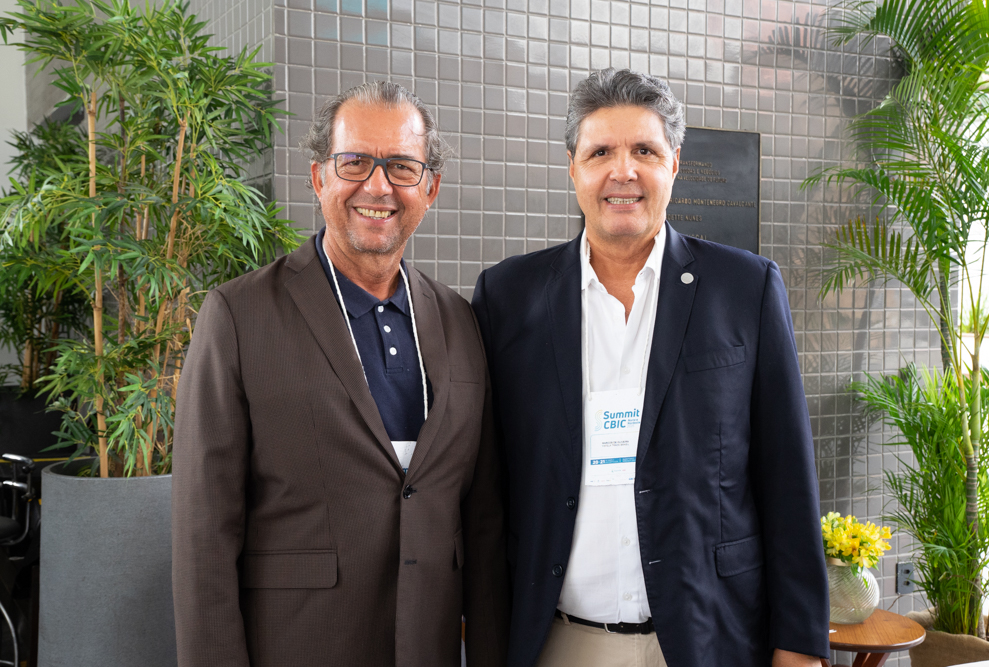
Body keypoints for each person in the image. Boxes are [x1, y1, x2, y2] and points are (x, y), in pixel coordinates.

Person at [472, 68, 828, 667]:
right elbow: (487, 486)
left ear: (675, 163)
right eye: (600, 152)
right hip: (558, 641)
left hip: (707, 637)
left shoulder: (745, 289)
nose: (623, 171)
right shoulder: (508, 297)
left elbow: (787, 476)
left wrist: (799, 644)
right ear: (572, 167)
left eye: (644, 150)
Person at [172, 81, 509, 667]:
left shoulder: (460, 319)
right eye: (354, 162)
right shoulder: (238, 315)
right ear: (318, 177)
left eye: (402, 166)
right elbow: (204, 533)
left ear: (430, 188)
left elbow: (482, 522)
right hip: (300, 646)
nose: (378, 186)